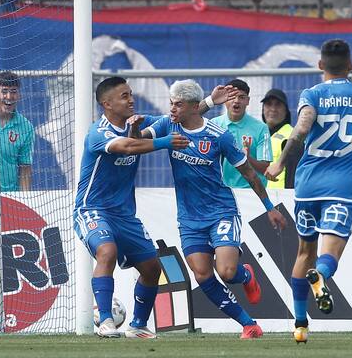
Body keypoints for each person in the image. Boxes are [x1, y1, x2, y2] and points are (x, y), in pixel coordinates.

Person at [73, 76, 235, 338]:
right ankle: (105, 321)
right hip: (92, 209)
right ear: (107, 104)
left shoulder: (136, 123)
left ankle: (137, 325)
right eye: (124, 96)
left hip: (124, 215)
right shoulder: (98, 132)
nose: (131, 99)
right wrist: (164, 142)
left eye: (131, 94)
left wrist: (208, 102)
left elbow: (180, 117)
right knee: (106, 251)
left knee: (152, 269)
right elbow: (127, 147)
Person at [265, 39, 352, 344]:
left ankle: (299, 323)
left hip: (307, 186)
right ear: (350, 66)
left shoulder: (312, 95)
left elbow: (300, 131)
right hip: (342, 189)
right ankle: (320, 276)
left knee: (304, 251)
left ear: (320, 65)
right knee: (328, 254)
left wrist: (281, 163)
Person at [142, 79, 286, 339]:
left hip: (221, 211)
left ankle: (246, 275)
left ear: (193, 107)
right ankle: (249, 325)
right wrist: (131, 128)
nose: (172, 109)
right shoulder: (168, 124)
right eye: (171, 103)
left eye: (177, 104)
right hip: (189, 218)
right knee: (202, 274)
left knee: (227, 272)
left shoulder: (219, 136)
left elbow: (251, 174)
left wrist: (269, 208)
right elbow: (138, 140)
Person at [212, 78, 273, 189]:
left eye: (241, 97)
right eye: (232, 96)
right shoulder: (213, 125)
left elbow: (265, 168)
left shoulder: (261, 128)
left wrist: (247, 158)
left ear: (248, 101)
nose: (236, 101)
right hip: (223, 192)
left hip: (254, 192)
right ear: (225, 100)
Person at [261, 88, 301, 189]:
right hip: (257, 198)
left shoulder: (291, 137)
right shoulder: (258, 135)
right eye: (269, 104)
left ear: (286, 110)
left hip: (280, 198)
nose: (273, 109)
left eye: (278, 104)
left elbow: (294, 175)